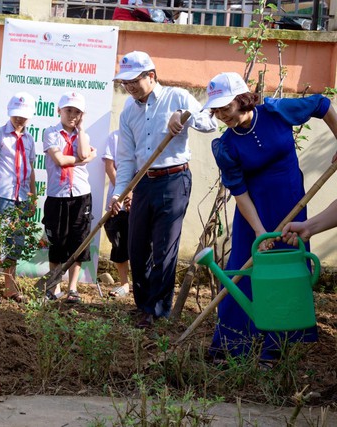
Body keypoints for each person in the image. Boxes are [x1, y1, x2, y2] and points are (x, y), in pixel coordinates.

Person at [203, 71, 337, 360]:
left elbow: (321, 105)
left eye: (226, 107)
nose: (222, 115)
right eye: (216, 110)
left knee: (286, 271)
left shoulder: (276, 112)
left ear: (242, 99)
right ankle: (231, 346)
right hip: (253, 213)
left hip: (292, 205)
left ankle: (274, 350)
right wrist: (260, 231)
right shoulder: (226, 146)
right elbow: (239, 193)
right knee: (243, 270)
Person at [109, 51, 216, 328]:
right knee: (137, 245)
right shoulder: (129, 111)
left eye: (134, 80)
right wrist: (119, 194)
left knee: (165, 248)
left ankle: (157, 309)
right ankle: (143, 304)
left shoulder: (177, 97)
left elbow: (210, 123)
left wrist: (184, 116)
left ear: (151, 76)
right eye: (125, 82)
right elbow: (126, 158)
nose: (129, 87)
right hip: (143, 182)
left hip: (174, 180)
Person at [42, 91, 96, 304]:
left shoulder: (84, 135)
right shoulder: (51, 132)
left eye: (77, 112)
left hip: (81, 194)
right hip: (57, 195)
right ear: (59, 111)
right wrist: (84, 160)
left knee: (78, 241)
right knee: (57, 242)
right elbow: (60, 161)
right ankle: (53, 287)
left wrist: (81, 131)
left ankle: (72, 289)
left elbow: (82, 153)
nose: (72, 115)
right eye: (68, 110)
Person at [0, 92, 37, 305]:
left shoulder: (29, 139)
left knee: (15, 242)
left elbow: (31, 168)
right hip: (2, 196)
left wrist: (33, 196)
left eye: (23, 116)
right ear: (10, 113)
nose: (19, 119)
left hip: (21, 197)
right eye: (16, 115)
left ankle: (10, 285)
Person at [102, 130, 130, 298]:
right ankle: (124, 284)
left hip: (142, 201)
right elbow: (109, 166)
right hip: (118, 202)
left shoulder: (149, 136)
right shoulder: (115, 137)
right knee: (119, 243)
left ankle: (143, 286)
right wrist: (125, 193)